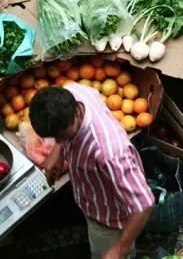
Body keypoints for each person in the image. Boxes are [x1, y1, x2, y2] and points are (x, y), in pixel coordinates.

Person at [29, 84, 154, 259]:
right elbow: (61, 134)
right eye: (55, 137)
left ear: (77, 113)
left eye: (64, 135)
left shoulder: (109, 153)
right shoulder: (72, 92)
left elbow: (144, 204)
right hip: (91, 195)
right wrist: (58, 150)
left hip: (109, 219)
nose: (59, 140)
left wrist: (119, 249)